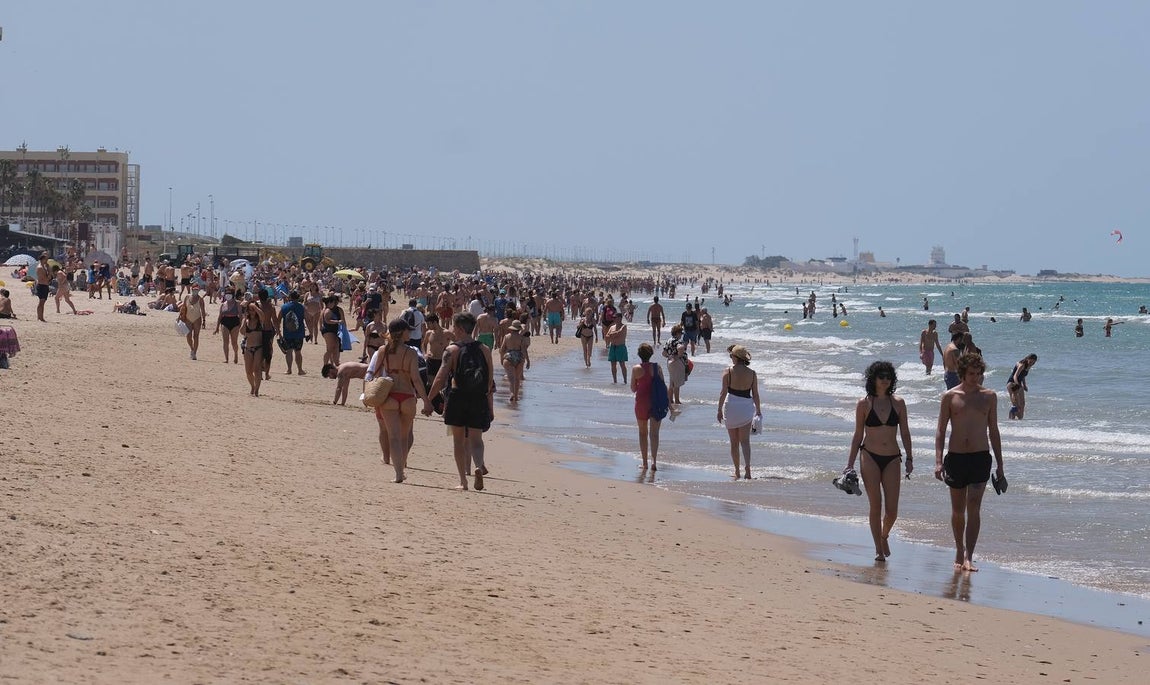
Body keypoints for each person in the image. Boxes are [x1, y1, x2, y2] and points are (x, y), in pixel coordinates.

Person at [934, 353, 1004, 573]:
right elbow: (940, 430)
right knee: (958, 510)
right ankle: (958, 548)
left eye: (979, 373)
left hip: (980, 457)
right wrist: (938, 461)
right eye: (971, 374)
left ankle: (969, 555)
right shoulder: (949, 396)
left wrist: (1000, 465)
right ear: (962, 373)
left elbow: (994, 431)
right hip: (955, 457)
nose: (976, 377)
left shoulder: (989, 396)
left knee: (974, 507)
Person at [845, 361, 913, 561]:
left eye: (888, 376)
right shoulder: (863, 404)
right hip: (869, 456)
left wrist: (909, 457)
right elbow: (858, 435)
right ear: (873, 378)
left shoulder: (898, 403)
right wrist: (849, 464)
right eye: (881, 376)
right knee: (876, 504)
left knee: (892, 511)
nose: (885, 380)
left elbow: (906, 433)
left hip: (892, 458)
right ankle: (878, 549)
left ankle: (884, 536)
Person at [424, 312, 496, 491]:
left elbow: (440, 378)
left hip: (457, 396)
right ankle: (478, 466)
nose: (452, 330)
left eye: (454, 327)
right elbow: (489, 381)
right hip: (478, 398)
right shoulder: (484, 350)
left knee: (458, 440)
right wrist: (489, 405)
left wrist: (428, 400)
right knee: (476, 440)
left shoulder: (452, 350)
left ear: (461, 329)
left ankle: (463, 481)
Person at [366, 318, 429, 483]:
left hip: (390, 397)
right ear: (401, 333)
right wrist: (427, 401)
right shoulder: (411, 352)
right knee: (404, 436)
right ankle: (402, 464)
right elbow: (416, 379)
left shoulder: (383, 350)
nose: (410, 333)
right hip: (407, 397)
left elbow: (375, 373)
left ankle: (399, 473)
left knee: (393, 437)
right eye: (408, 330)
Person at [716, 345, 762, 479]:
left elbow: (723, 392)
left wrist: (719, 410)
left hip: (731, 407)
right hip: (746, 408)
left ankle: (737, 471)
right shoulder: (752, 373)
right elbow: (756, 394)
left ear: (736, 357)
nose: (731, 358)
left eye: (731, 356)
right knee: (745, 441)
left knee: (734, 442)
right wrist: (758, 410)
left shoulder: (728, 372)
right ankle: (748, 468)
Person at [630, 342, 664, 471]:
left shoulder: (636, 369)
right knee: (654, 434)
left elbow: (633, 388)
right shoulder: (657, 368)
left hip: (641, 402)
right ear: (651, 354)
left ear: (639, 355)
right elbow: (663, 385)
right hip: (656, 402)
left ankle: (644, 463)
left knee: (642, 433)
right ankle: (654, 461)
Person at [499, 320, 530, 402]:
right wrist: (528, 361)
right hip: (519, 357)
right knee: (517, 378)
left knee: (511, 378)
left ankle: (512, 393)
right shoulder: (521, 338)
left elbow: (502, 349)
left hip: (509, 356)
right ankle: (516, 396)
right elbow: (523, 350)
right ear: (519, 329)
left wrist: (501, 359)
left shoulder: (506, 337)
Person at [279, 290, 307, 375]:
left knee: (289, 351)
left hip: (287, 333)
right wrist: (311, 331)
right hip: (299, 333)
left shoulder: (284, 307)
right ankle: (300, 370)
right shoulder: (301, 307)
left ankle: (289, 369)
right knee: (298, 352)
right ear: (298, 297)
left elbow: (278, 319)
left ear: (289, 297)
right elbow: (307, 319)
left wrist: (278, 331)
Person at [241, 303, 265, 396]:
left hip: (258, 347)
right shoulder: (246, 320)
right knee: (248, 371)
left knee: (257, 369)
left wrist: (255, 307)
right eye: (250, 310)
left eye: (253, 310)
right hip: (248, 347)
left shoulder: (260, 320)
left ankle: (257, 390)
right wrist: (245, 319)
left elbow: (263, 316)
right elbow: (242, 332)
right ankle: (252, 386)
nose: (252, 312)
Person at [214, 290, 243, 364]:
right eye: (227, 294)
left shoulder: (237, 303)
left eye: (229, 294)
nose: (228, 295)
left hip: (235, 322)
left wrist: (241, 325)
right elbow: (220, 316)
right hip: (225, 321)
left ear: (233, 295)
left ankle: (236, 355)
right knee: (225, 342)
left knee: (234, 342)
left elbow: (240, 315)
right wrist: (217, 327)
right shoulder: (223, 304)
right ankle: (226, 358)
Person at [178, 287, 207, 360]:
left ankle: (194, 353)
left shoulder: (200, 299)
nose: (195, 291)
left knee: (196, 336)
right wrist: (179, 316)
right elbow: (183, 307)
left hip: (197, 319)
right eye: (194, 289)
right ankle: (192, 348)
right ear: (192, 289)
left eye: (197, 290)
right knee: (188, 335)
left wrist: (204, 320)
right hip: (188, 318)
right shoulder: (187, 297)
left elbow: (203, 310)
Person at [1006, 353, 1038, 419]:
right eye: (1031, 361)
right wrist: (1018, 384)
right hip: (1012, 383)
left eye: (1033, 363)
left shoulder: (1028, 366)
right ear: (1027, 359)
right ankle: (1012, 416)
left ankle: (1019, 421)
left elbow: (1023, 376)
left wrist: (1024, 385)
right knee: (1017, 406)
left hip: (1019, 384)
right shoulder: (1022, 365)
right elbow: (1015, 376)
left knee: (1022, 403)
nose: (1031, 363)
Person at [320, 295, 343, 368]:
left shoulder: (338, 309)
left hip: (335, 330)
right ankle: (325, 365)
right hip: (328, 330)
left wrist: (344, 329)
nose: (336, 303)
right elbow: (327, 321)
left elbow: (343, 320)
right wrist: (337, 321)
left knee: (336, 347)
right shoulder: (327, 310)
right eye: (334, 302)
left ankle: (335, 363)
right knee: (330, 348)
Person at [605, 317, 628, 384]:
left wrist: (612, 334)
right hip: (613, 347)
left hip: (620, 347)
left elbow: (619, 333)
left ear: (620, 318)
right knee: (613, 365)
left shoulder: (623, 326)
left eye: (616, 318)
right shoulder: (612, 327)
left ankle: (625, 380)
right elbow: (607, 336)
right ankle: (615, 380)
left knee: (622, 364)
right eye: (614, 318)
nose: (615, 319)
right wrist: (614, 334)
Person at [35, 253, 51, 322]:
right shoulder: (40, 268)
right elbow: (44, 278)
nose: (47, 260)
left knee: (43, 302)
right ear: (43, 259)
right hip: (42, 285)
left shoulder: (44, 267)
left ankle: (41, 317)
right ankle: (39, 317)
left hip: (44, 285)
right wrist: (49, 273)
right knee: (41, 302)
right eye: (46, 259)